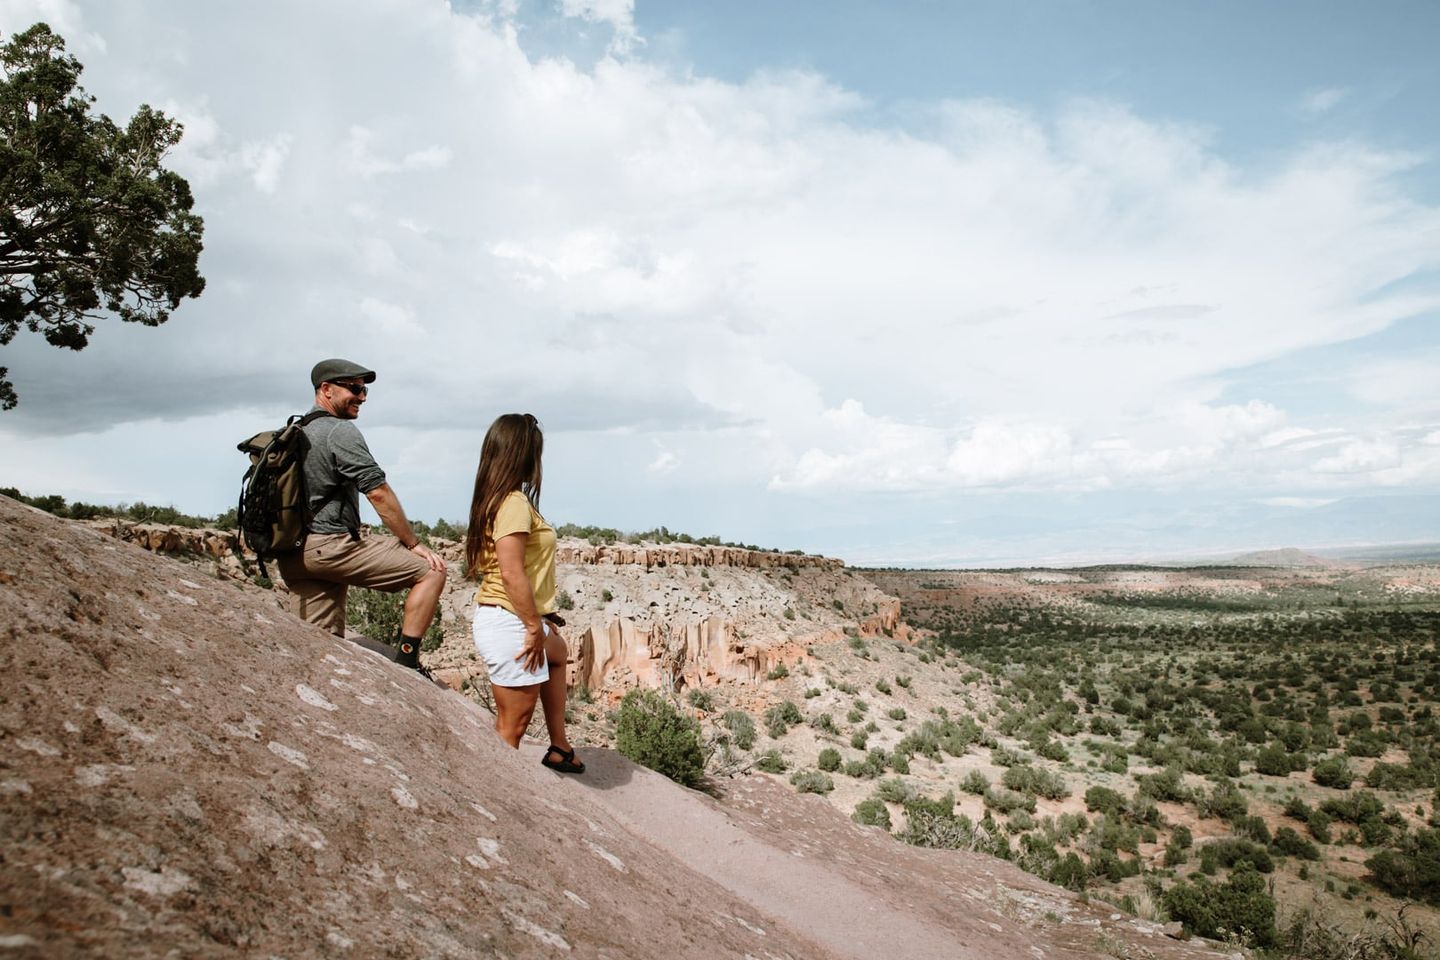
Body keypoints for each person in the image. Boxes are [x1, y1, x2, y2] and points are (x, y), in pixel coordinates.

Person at [275, 358, 447, 673]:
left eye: (364, 389)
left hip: (295, 555)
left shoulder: (295, 430)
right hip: (330, 548)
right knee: (430, 570)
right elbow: (378, 492)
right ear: (326, 389)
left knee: (319, 652)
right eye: (354, 388)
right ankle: (408, 661)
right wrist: (412, 542)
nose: (363, 397)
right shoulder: (339, 431)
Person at [464, 413, 583, 773]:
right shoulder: (513, 502)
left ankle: (559, 746)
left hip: (516, 616)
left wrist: (541, 619)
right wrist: (533, 627)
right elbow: (511, 570)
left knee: (557, 653)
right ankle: (493, 795)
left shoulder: (503, 498)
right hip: (511, 623)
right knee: (512, 727)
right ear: (524, 454)